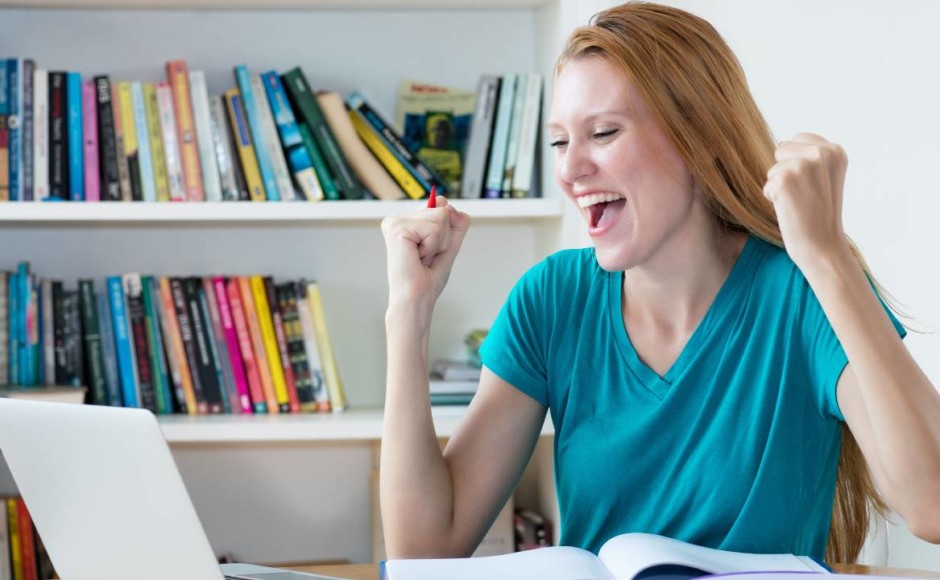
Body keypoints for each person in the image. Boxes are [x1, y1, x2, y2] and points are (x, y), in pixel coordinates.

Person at [379, 1, 940, 565]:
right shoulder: (552, 300)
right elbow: (425, 547)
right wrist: (408, 313)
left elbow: (933, 506)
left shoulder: (804, 292)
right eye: (558, 141)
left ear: (701, 138)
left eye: (602, 133)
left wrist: (827, 255)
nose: (570, 170)